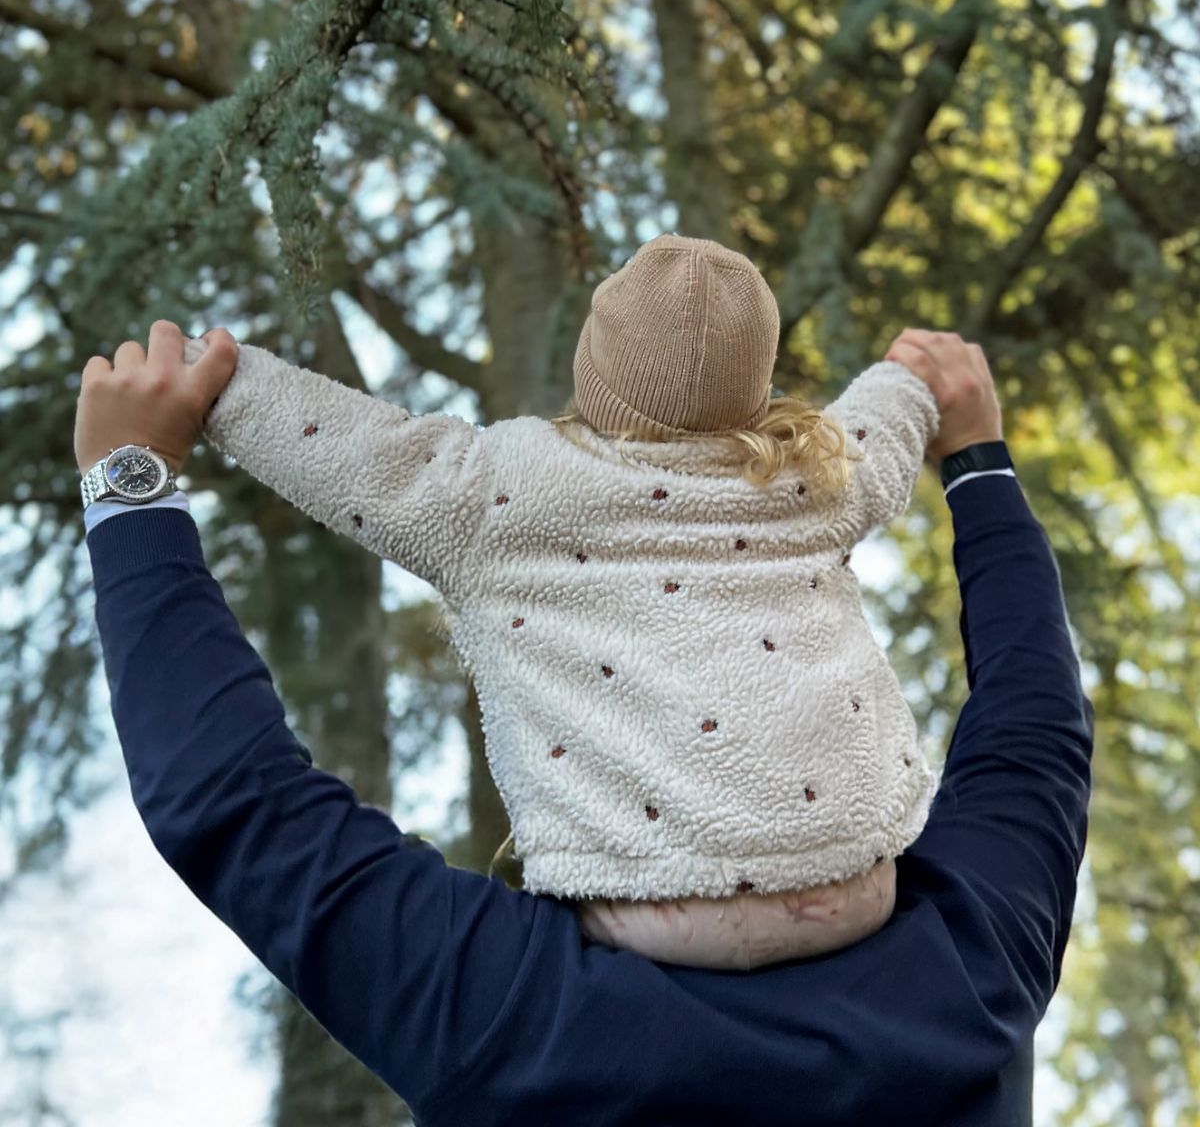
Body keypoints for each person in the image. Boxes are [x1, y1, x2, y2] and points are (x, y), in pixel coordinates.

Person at [77, 311, 1093, 1125]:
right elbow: (1034, 728)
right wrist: (980, 461)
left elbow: (238, 807)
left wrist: (132, 483)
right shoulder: (974, 975)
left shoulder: (517, 1029)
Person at [167, 233, 940, 971]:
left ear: (593, 371)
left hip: (653, 901)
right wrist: (909, 373)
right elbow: (884, 426)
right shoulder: (813, 473)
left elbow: (342, 444)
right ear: (755, 386)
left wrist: (212, 379)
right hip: (851, 879)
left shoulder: (502, 488)